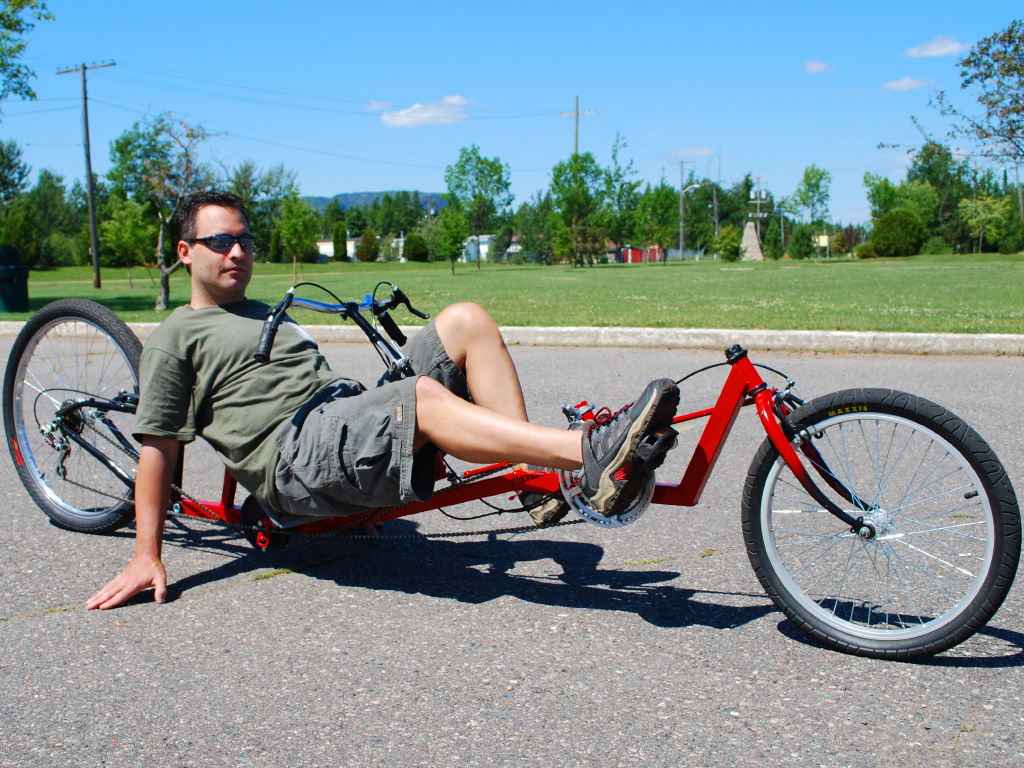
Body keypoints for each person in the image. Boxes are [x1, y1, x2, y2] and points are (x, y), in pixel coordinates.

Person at [86, 191, 679, 610]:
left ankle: (533, 479)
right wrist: (146, 554)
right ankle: (588, 452)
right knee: (418, 398)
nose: (236, 252)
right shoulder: (176, 335)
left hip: (338, 419)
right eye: (219, 242)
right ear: (185, 251)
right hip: (295, 458)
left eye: (243, 240)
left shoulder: (266, 311)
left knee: (465, 319)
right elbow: (158, 447)